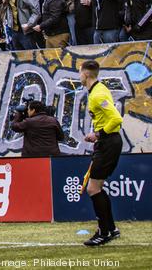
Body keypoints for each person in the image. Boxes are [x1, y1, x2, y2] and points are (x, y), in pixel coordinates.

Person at [79, 60, 124, 247]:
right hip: (107, 143)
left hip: (108, 142)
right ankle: (111, 229)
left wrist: (98, 134)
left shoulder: (97, 94)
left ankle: (103, 232)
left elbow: (116, 118)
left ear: (86, 74)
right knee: (97, 187)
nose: (79, 76)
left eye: (79, 72)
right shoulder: (98, 90)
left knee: (92, 188)